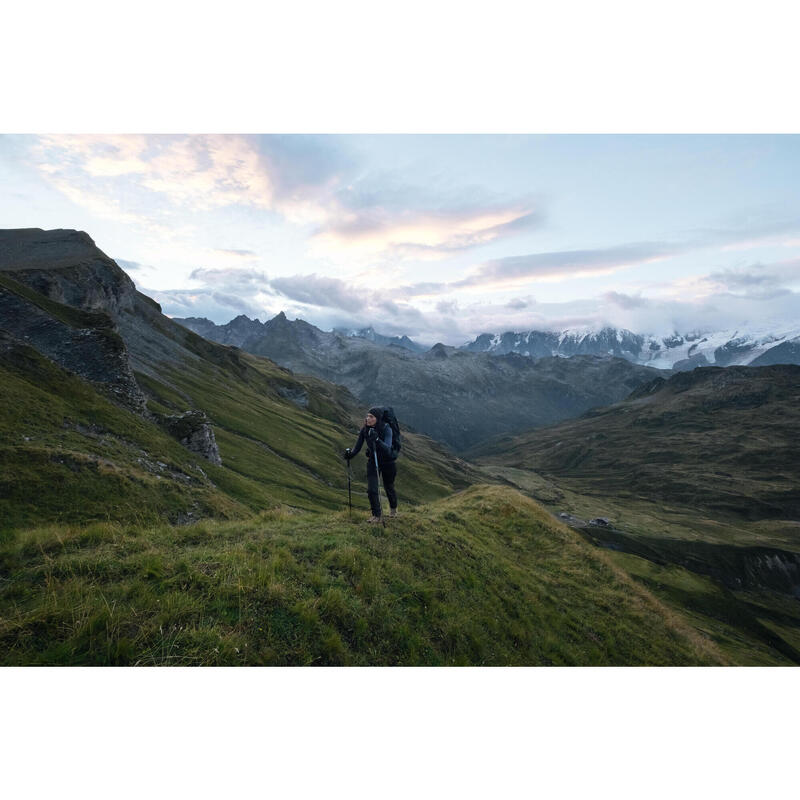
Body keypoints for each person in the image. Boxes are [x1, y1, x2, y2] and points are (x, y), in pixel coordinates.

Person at [344, 406, 398, 523]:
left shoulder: (386, 429)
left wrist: (377, 440)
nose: (368, 418)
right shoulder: (365, 430)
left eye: (371, 417)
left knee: (389, 487)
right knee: (372, 489)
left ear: (377, 418)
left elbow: (388, 449)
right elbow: (357, 447)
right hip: (373, 461)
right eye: (367, 416)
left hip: (388, 462)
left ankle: (393, 510)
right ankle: (376, 515)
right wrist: (350, 455)